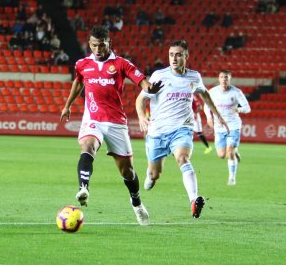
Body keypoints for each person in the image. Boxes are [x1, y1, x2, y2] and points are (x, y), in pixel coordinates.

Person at [60, 26, 162, 226]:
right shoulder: (82, 64)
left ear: (109, 43)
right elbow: (78, 82)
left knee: (127, 171)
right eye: (94, 45)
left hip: (115, 122)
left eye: (102, 45)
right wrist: (68, 105)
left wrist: (149, 88)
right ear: (89, 44)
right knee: (87, 146)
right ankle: (84, 187)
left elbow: (140, 79)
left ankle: (136, 202)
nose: (98, 49)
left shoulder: (121, 63)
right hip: (93, 118)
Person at [136, 40, 229, 218]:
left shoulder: (194, 77)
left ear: (186, 56)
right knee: (155, 175)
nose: (174, 58)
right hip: (157, 132)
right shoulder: (159, 76)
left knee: (182, 158)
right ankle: (150, 176)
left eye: (178, 54)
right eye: (171, 54)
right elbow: (141, 99)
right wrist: (142, 117)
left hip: (182, 129)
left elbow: (205, 94)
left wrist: (217, 115)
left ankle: (193, 200)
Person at [204, 69, 251, 185]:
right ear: (219, 79)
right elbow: (206, 105)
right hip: (219, 127)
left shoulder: (236, 92)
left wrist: (238, 109)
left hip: (233, 126)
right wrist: (209, 118)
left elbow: (247, 108)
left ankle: (232, 178)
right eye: (222, 77)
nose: (224, 79)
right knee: (221, 155)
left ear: (229, 79)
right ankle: (235, 153)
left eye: (226, 77)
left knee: (229, 153)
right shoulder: (213, 92)